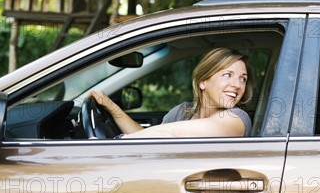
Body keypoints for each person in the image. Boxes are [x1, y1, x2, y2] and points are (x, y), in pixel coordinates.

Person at [91, 48, 254, 138]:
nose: (237, 85)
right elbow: (145, 136)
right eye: (227, 75)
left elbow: (170, 133)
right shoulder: (182, 112)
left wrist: (120, 142)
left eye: (243, 79)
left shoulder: (237, 118)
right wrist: (110, 106)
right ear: (203, 81)